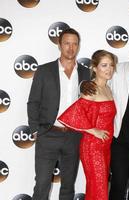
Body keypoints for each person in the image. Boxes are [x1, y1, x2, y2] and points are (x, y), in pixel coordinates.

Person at [81, 38, 129, 200]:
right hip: (118, 140)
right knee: (118, 185)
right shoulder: (117, 71)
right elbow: (98, 81)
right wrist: (85, 83)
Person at [27, 28, 90, 200]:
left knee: (68, 186)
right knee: (41, 185)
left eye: (74, 44)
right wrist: (35, 130)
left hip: (73, 136)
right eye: (67, 43)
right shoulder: (44, 71)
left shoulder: (86, 72)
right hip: (48, 134)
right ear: (59, 45)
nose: (71, 48)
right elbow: (33, 102)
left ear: (78, 46)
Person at [58, 50, 117, 200]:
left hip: (105, 146)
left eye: (111, 65)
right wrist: (93, 130)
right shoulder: (91, 88)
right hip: (92, 147)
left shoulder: (108, 88)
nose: (109, 69)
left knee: (97, 188)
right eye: (104, 65)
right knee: (100, 190)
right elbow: (74, 113)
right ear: (95, 68)